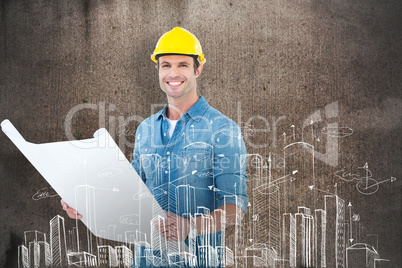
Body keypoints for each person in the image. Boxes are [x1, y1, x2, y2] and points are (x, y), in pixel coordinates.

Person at [62, 27, 248, 267]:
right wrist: (84, 200)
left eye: (182, 65)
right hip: (145, 261)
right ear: (158, 70)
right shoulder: (146, 130)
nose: (173, 73)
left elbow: (236, 208)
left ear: (198, 69)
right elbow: (129, 193)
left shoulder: (222, 129)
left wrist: (190, 226)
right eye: (166, 65)